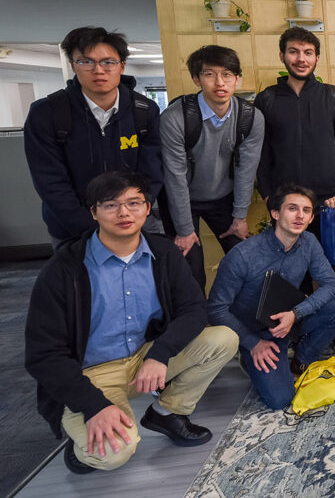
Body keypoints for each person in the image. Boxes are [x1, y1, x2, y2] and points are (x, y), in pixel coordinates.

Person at [24, 171, 238, 474]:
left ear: (148, 208)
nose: (124, 213)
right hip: (91, 375)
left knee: (222, 339)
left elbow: (193, 309)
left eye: (134, 203)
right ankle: (79, 447)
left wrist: (159, 355)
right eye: (111, 205)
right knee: (113, 455)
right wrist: (94, 405)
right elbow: (42, 355)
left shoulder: (163, 252)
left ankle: (167, 412)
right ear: (94, 212)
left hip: (144, 359)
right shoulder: (64, 269)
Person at [207, 183, 335, 409]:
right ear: (275, 213)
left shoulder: (309, 243)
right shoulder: (243, 255)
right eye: (292, 208)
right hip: (255, 332)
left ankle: (301, 359)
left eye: (306, 211)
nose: (300, 215)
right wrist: (252, 343)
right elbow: (216, 309)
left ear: (311, 219)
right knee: (281, 400)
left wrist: (296, 313)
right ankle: (248, 357)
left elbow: (331, 285)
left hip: (289, 318)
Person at [24, 26, 163, 246]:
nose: (98, 70)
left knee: (147, 279)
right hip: (73, 230)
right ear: (73, 66)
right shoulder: (46, 113)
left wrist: (132, 215)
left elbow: (152, 173)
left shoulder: (144, 111)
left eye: (108, 62)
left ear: (122, 66)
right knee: (82, 281)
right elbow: (50, 182)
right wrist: (93, 230)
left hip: (134, 225)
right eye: (86, 62)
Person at [255, 26, 335, 305]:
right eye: (294, 52)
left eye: (308, 53)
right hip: (286, 204)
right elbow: (259, 154)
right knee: (291, 272)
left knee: (329, 268)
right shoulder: (267, 99)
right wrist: (267, 194)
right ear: (282, 55)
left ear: (316, 58)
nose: (301, 58)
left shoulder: (334, 97)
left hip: (328, 202)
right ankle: (298, 328)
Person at [160, 45, 264, 289]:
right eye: (209, 74)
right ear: (196, 79)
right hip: (182, 198)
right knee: (191, 269)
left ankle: (238, 319)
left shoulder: (251, 117)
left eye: (227, 74)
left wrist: (239, 216)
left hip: (222, 196)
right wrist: (184, 230)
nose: (220, 82)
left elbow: (246, 170)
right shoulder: (174, 118)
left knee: (245, 259)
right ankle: (196, 323)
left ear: (237, 79)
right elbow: (174, 176)